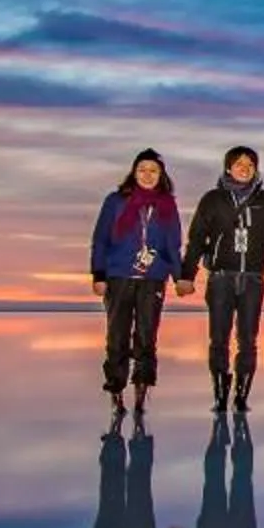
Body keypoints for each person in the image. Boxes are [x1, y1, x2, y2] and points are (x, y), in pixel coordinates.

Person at [176, 145, 264, 416]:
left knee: (248, 339)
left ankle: (241, 395)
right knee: (218, 339)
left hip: (253, 279)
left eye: (250, 165)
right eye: (239, 164)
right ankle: (219, 393)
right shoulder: (213, 199)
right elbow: (196, 239)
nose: (245, 168)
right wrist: (186, 275)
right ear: (228, 168)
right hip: (220, 279)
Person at [88, 148, 183, 416]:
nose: (148, 175)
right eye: (142, 169)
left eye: (153, 170)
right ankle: (116, 390)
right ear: (134, 172)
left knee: (146, 336)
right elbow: (101, 239)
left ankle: (142, 391)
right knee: (117, 335)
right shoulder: (116, 201)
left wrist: (180, 276)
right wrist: (98, 274)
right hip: (118, 276)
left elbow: (173, 244)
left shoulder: (167, 204)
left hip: (152, 279)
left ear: (161, 174)